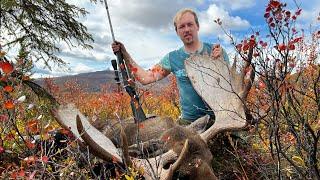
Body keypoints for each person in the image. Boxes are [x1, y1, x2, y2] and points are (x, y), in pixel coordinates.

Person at [112, 8, 229, 125]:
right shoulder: (173, 58)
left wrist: (220, 64)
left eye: (190, 24)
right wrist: (125, 54)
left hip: (219, 119)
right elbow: (146, 78)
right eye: (182, 27)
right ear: (177, 32)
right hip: (189, 123)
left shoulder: (216, 51)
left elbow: (230, 88)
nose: (187, 29)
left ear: (197, 27)